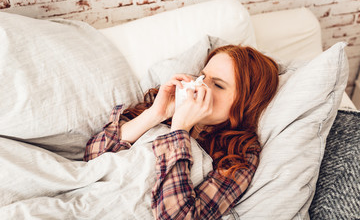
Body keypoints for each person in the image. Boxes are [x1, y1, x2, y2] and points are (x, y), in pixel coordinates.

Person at [83, 45, 279, 219]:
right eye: (202, 77)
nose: (200, 86)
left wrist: (180, 131)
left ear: (246, 104)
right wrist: (155, 114)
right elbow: (92, 157)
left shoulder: (240, 155)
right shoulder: (167, 108)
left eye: (218, 85)